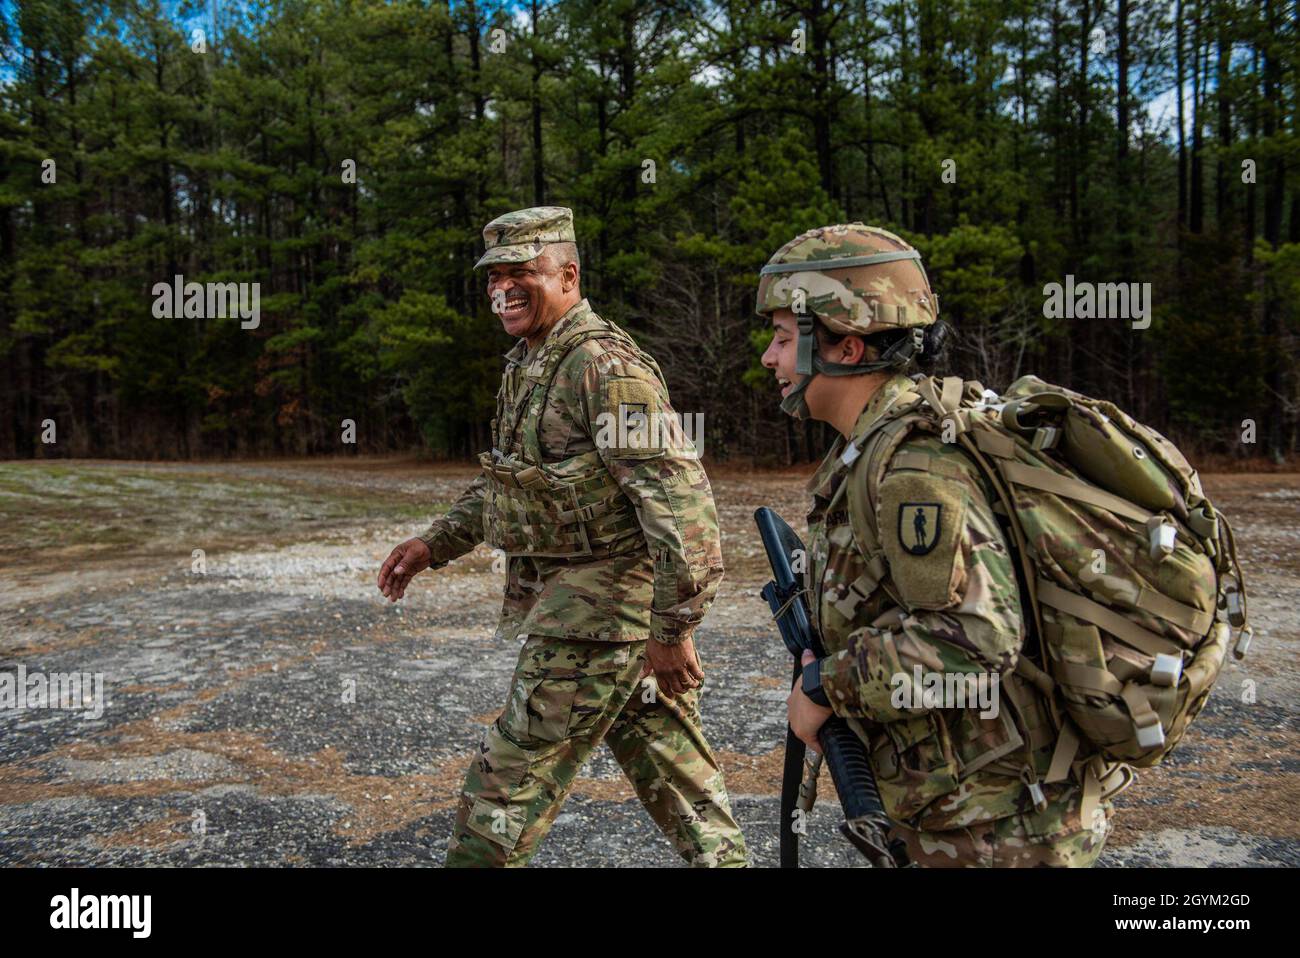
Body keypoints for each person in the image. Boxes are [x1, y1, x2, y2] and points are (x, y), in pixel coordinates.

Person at [377, 206, 748, 867]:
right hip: (597, 617)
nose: (504, 289)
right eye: (494, 276)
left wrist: (673, 629)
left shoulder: (604, 367)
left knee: (507, 785)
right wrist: (435, 544)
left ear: (569, 274)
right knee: (680, 781)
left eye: (523, 272)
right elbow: (508, 486)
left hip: (597, 617)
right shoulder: (529, 364)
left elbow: (682, 507)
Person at [758, 222, 1112, 866]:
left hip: (1001, 831)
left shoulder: (914, 464)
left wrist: (825, 689)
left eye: (783, 338)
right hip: (960, 813)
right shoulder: (874, 447)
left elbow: (976, 638)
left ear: (847, 346)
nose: (769, 358)